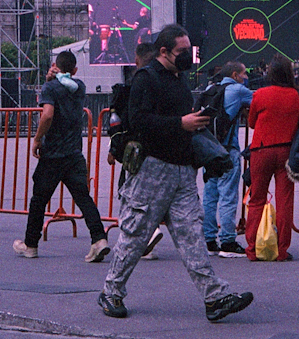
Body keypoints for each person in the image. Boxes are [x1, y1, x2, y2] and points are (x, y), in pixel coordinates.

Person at [98, 24, 254, 323]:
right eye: (182, 51)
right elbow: (139, 121)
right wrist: (180, 124)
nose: (188, 56)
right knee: (135, 236)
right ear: (164, 51)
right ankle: (111, 291)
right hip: (152, 170)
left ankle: (214, 297)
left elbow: (180, 122)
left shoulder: (178, 79)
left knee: (192, 236)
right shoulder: (146, 79)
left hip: (182, 171)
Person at [13, 50, 110, 261]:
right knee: (83, 198)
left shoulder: (50, 88)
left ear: (55, 65)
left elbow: (48, 115)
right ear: (74, 70)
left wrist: (37, 139)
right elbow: (67, 87)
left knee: (39, 200)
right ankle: (99, 238)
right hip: (74, 152)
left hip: (53, 154)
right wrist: (56, 78)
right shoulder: (80, 87)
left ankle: (31, 244)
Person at [244, 53, 299, 261]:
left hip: (261, 150)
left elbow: (251, 123)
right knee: (285, 201)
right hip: (287, 151)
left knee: (257, 199)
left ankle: (252, 248)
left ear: (270, 73)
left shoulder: (260, 94)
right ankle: (281, 250)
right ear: (290, 72)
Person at [107, 42, 165, 260]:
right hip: (161, 149)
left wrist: (114, 148)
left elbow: (119, 122)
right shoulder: (166, 83)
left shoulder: (134, 86)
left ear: (137, 59)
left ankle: (145, 235)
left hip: (136, 149)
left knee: (129, 193)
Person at [201, 60, 252, 257]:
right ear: (235, 75)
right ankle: (228, 241)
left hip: (209, 148)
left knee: (210, 194)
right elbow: (259, 101)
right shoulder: (238, 90)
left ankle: (209, 240)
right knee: (228, 195)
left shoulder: (211, 89)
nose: (246, 77)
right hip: (228, 149)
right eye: (244, 74)